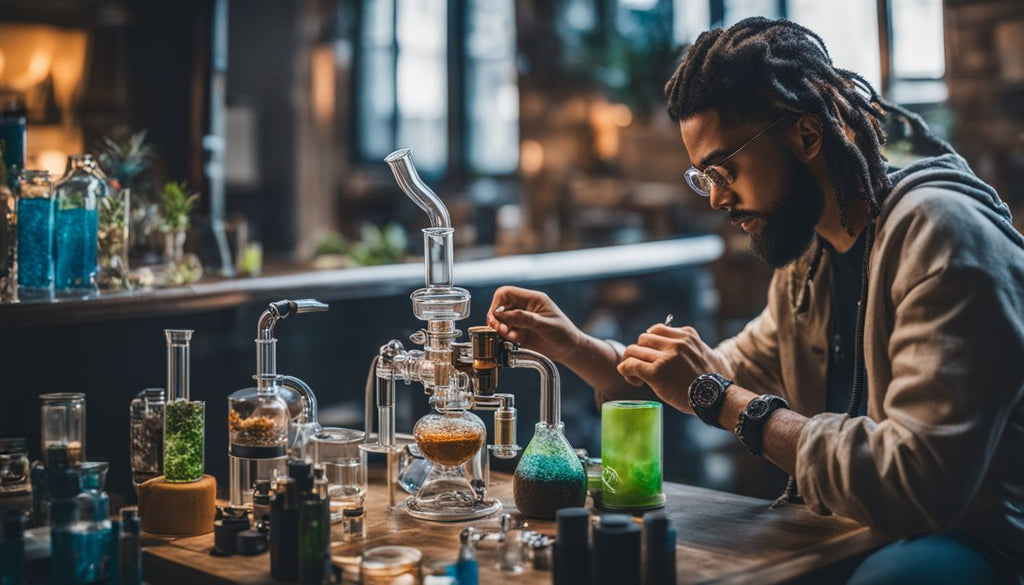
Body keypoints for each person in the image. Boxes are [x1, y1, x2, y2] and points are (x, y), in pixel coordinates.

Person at [487, 17, 1024, 584]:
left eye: (725, 170)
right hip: (856, 528)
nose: (718, 197)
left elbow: (916, 483)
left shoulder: (943, 235)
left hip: (971, 542)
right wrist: (575, 344)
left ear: (807, 136)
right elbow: (713, 375)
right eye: (703, 177)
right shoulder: (809, 260)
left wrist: (723, 398)